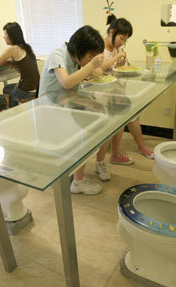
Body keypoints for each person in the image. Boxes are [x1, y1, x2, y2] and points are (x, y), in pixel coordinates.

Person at [39, 25, 105, 195]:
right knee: (83, 138)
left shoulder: (75, 61)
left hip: (63, 106)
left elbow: (73, 89)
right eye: (90, 56)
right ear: (79, 49)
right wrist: (91, 65)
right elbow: (67, 83)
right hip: (49, 111)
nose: (91, 60)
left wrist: (91, 104)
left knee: (92, 129)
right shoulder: (57, 55)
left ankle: (75, 175)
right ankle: (77, 183)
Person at [97, 14, 154, 163]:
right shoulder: (100, 48)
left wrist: (121, 65)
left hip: (114, 91)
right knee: (122, 116)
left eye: (125, 40)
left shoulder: (115, 49)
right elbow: (97, 70)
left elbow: (113, 71)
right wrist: (116, 59)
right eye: (121, 38)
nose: (122, 43)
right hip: (101, 93)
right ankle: (114, 156)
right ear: (111, 32)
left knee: (131, 114)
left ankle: (134, 148)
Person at [0, 22, 39, 108]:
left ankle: (12, 112)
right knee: (7, 88)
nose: (4, 37)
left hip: (26, 88)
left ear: (11, 35)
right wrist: (12, 62)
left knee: (10, 93)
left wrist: (7, 63)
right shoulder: (27, 47)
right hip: (37, 86)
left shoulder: (13, 48)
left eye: (5, 34)